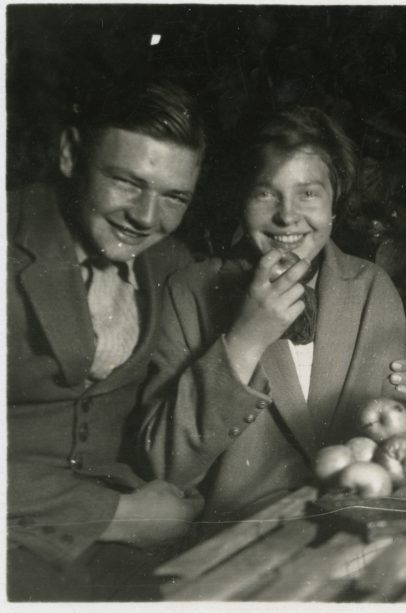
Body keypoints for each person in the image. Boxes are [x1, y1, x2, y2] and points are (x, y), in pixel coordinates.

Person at [139, 107, 406, 525]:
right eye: (265, 193)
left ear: (334, 204)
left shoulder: (371, 288)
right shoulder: (189, 291)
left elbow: (400, 443)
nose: (287, 215)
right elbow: (165, 466)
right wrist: (245, 341)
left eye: (308, 193)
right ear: (240, 199)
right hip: (235, 542)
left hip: (357, 527)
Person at [7, 80, 207, 601]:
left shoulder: (171, 265)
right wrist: (115, 515)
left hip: (105, 559)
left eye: (173, 197)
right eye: (126, 181)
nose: (145, 217)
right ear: (72, 153)